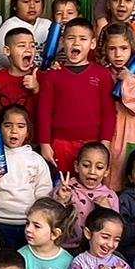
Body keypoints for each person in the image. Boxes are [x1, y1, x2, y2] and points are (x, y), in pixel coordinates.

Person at [35, 19, 116, 175]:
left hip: (93, 144)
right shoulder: (52, 75)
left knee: (91, 183)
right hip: (60, 144)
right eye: (71, 38)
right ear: (62, 41)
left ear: (92, 43)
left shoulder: (102, 74)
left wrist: (105, 143)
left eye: (83, 39)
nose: (76, 43)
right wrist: (45, 143)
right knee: (62, 185)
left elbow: (109, 112)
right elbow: (44, 111)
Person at [0, 106, 54, 249]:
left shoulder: (36, 160)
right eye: (8, 125)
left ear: (28, 131)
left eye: (20, 126)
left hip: (28, 224)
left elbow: (43, 194)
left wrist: (38, 220)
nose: (14, 131)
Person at [103, 22, 135, 164]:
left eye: (124, 48)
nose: (118, 54)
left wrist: (128, 81)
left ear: (132, 48)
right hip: (110, 137)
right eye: (112, 49)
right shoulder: (103, 75)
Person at [55, 141, 118, 249]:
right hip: (65, 247)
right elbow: (50, 218)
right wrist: (61, 200)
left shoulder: (110, 196)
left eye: (99, 167)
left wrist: (108, 211)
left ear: (107, 171)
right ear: (76, 166)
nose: (92, 171)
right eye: (86, 165)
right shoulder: (67, 188)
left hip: (96, 250)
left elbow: (116, 228)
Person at [18, 197, 73, 269]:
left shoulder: (68, 261)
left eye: (36, 226)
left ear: (55, 234)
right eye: (27, 223)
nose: (28, 229)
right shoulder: (20, 256)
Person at [0, 0, 50, 64]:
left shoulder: (48, 25)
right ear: (15, 5)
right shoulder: (10, 26)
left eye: (37, 1)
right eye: (26, 1)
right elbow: (1, 56)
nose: (32, 6)